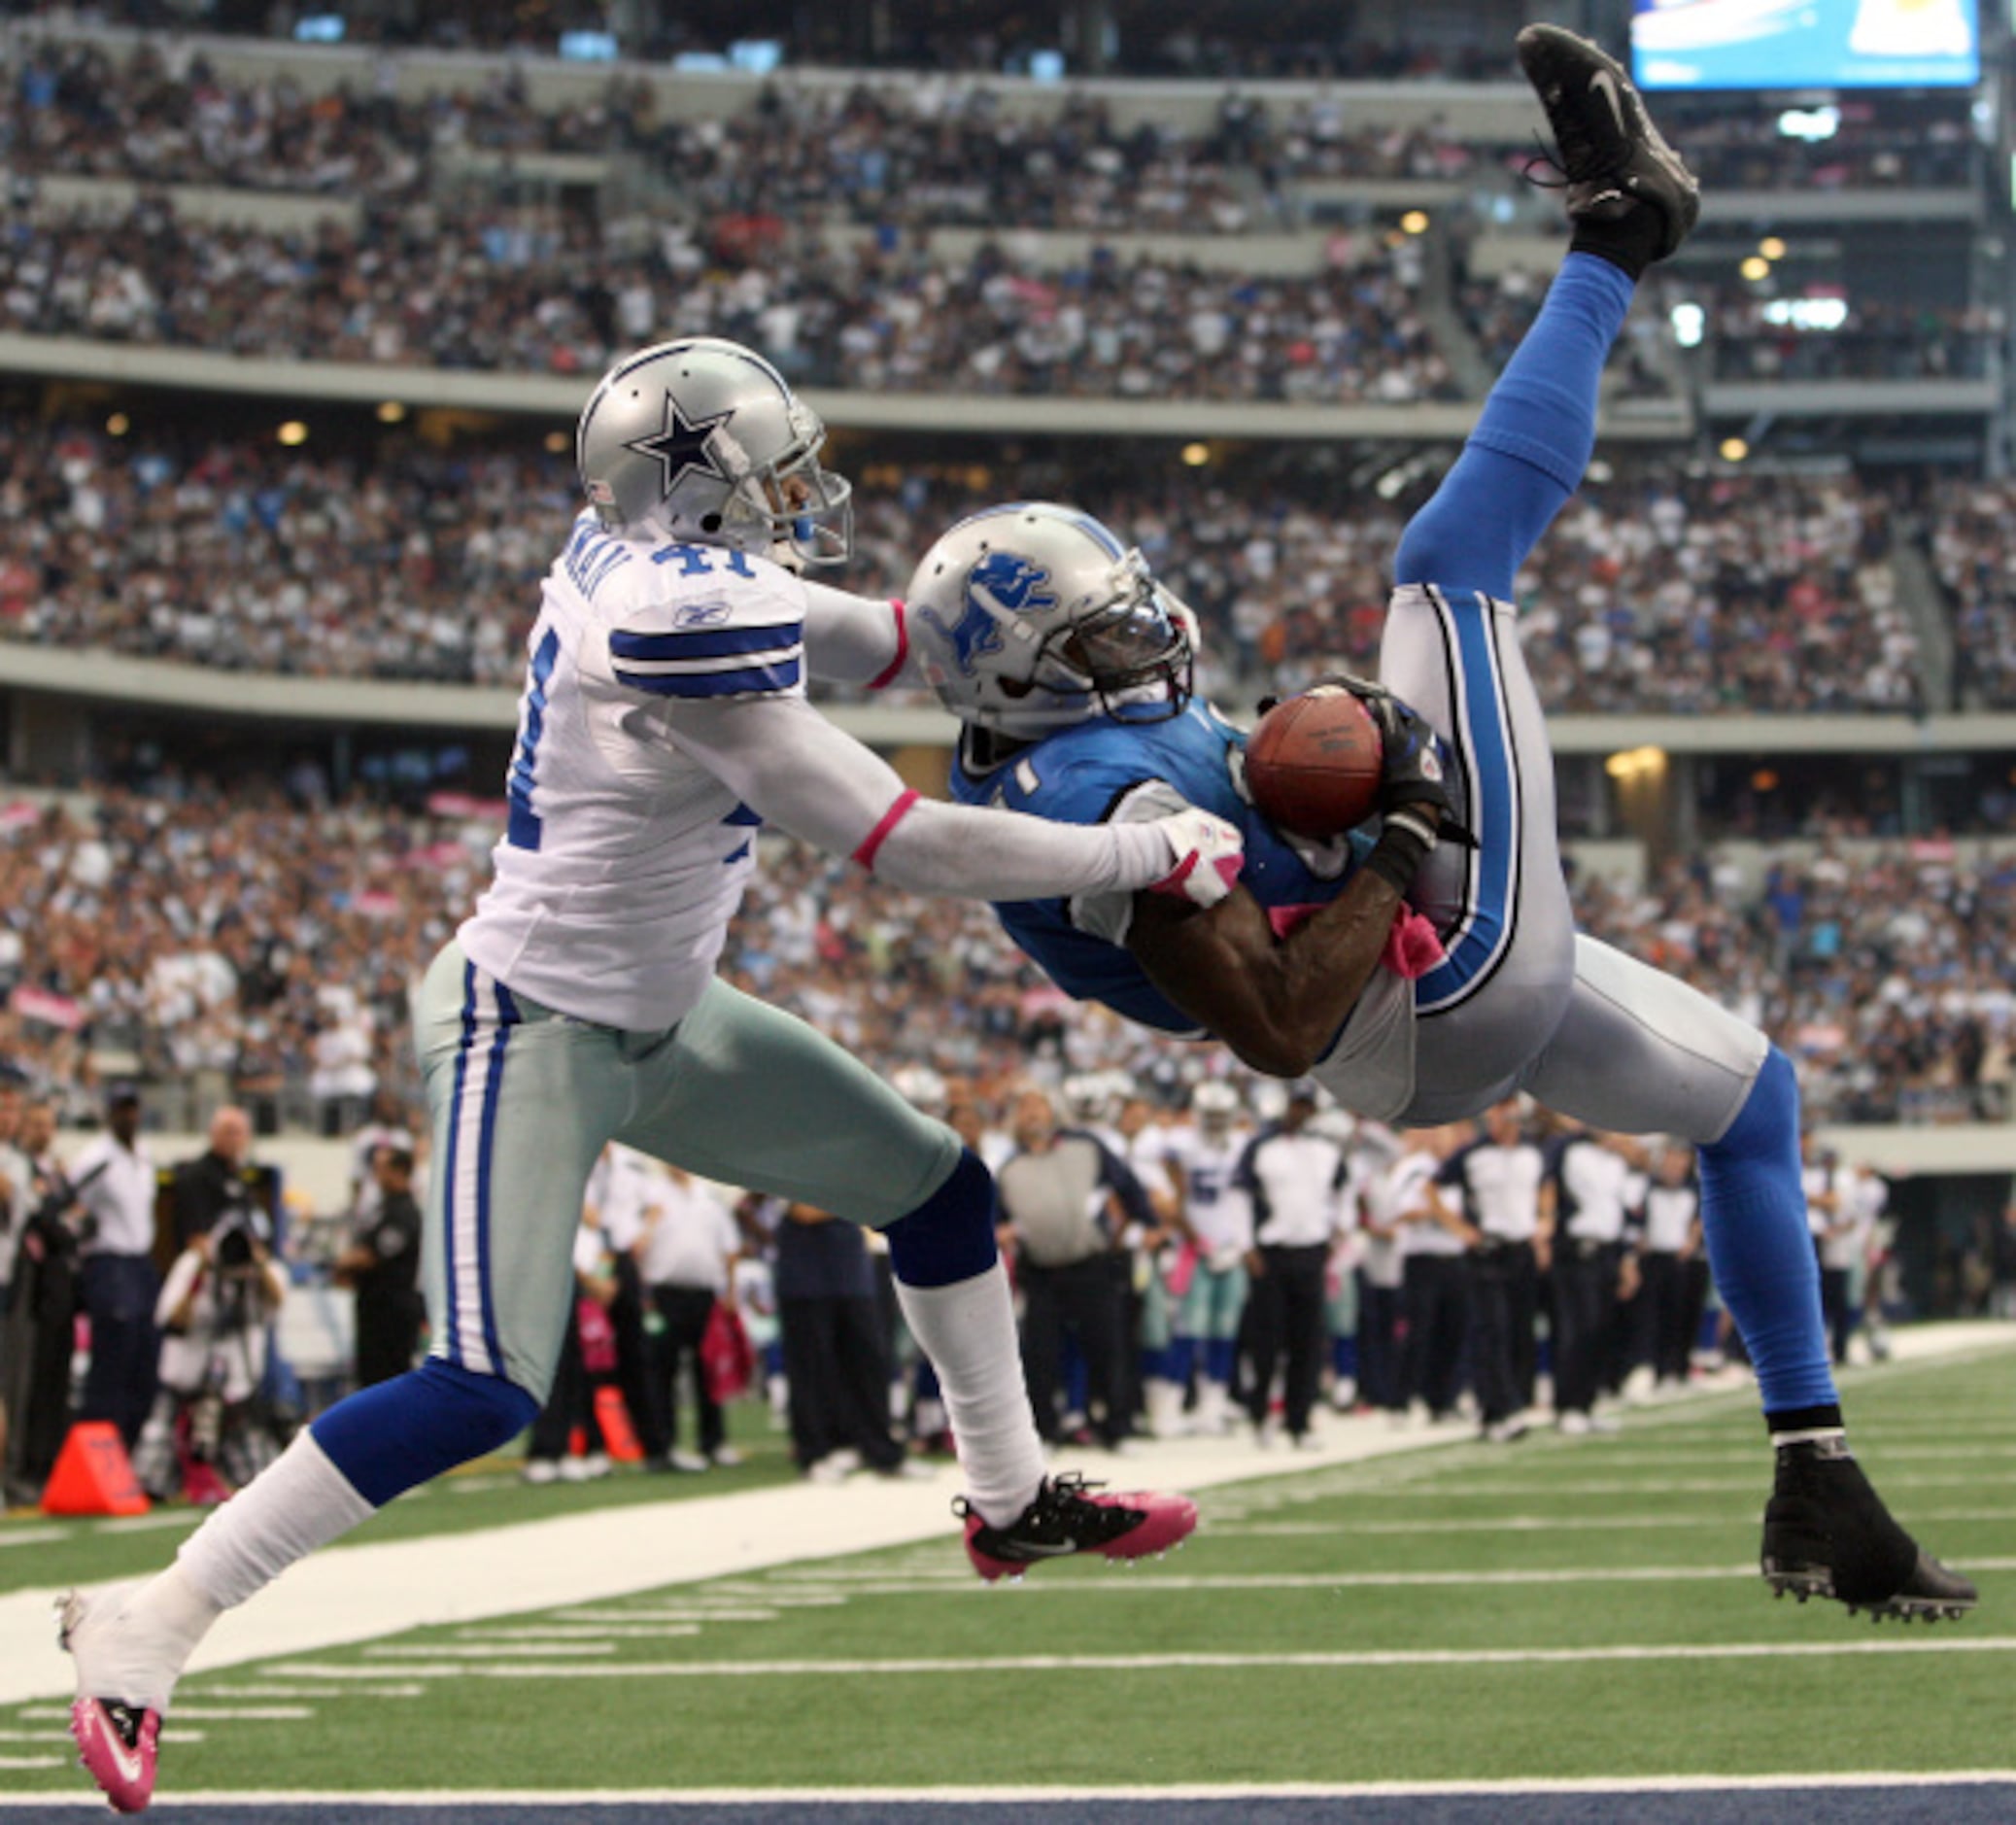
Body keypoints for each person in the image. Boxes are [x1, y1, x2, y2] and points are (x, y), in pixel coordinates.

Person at [893, 27, 1972, 1620]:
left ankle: (1817, 1477)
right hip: (1418, 988)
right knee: (1449, 565)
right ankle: (1622, 235)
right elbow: (1267, 1022)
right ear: (1037, 683)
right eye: (1108, 639)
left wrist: (1330, 792)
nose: (1149, 641)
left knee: (1755, 1096)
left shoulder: (1065, 733)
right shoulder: (1086, 797)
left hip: (1421, 991)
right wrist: (1399, 829)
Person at [62, 335, 1215, 1813]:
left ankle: (1006, 1501)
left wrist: (1045, 620)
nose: (802, 490)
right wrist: (1137, 845)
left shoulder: (662, 560)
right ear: (703, 492)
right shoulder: (678, 634)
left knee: (938, 1189)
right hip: (527, 1020)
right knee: (481, 1383)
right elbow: (904, 842)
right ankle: (151, 1619)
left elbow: (883, 641)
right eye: (773, 471)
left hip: (666, 1017)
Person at [995, 1086, 1150, 1451]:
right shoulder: (1007, 1167)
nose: (1032, 1113)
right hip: (1041, 1269)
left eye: (1039, 1105)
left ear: (1054, 1112)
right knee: (1040, 1353)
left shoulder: (1085, 1146)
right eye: (1025, 1107)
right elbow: (996, 1217)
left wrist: (1146, 1221)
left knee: (1106, 1347)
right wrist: (1000, 1232)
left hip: (1090, 1263)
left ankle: (1115, 1427)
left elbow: (1127, 1184)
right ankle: (1045, 1431)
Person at [1237, 1083, 1350, 1446]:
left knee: (1308, 1341)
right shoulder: (1262, 1147)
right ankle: (1260, 1415)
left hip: (1312, 1250)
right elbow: (1239, 1195)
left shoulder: (1327, 1151)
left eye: (1306, 1107)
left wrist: (1339, 1231)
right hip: (1272, 1252)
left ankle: (1298, 1420)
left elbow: (1343, 1191)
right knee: (1267, 1340)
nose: (1299, 1113)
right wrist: (1245, 1245)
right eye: (1295, 1106)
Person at [1439, 1099, 1546, 1443]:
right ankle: (1505, 1407)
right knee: (1492, 1331)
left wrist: (1544, 1223)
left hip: (1521, 1250)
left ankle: (1494, 1412)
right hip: (1487, 1251)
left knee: (1517, 1330)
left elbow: (1546, 1188)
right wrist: (1460, 1229)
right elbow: (1431, 1187)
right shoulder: (1473, 1154)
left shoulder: (1532, 1153)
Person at [72, 1086, 163, 1451]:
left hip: (141, 1263)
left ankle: (126, 1448)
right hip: (109, 1261)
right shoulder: (96, 1158)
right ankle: (96, 1451)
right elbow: (70, 1200)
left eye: (133, 1109)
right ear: (110, 1114)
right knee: (113, 1360)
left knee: (147, 1360)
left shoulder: (143, 1155)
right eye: (122, 1110)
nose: (129, 1117)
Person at [331, 1145, 425, 1390]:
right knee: (368, 1377)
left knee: (389, 1381)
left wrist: (343, 1261)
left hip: (392, 1315)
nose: (376, 1175)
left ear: (400, 1171)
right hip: (372, 1310)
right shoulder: (381, 1209)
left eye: (382, 1168)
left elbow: (370, 1255)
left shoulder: (404, 1213)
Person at [167, 1107, 257, 1251]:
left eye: (239, 1133)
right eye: (229, 1132)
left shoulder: (241, 1179)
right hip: (205, 1258)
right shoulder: (196, 1176)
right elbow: (195, 1238)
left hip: (243, 1259)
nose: (234, 1140)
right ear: (213, 1133)